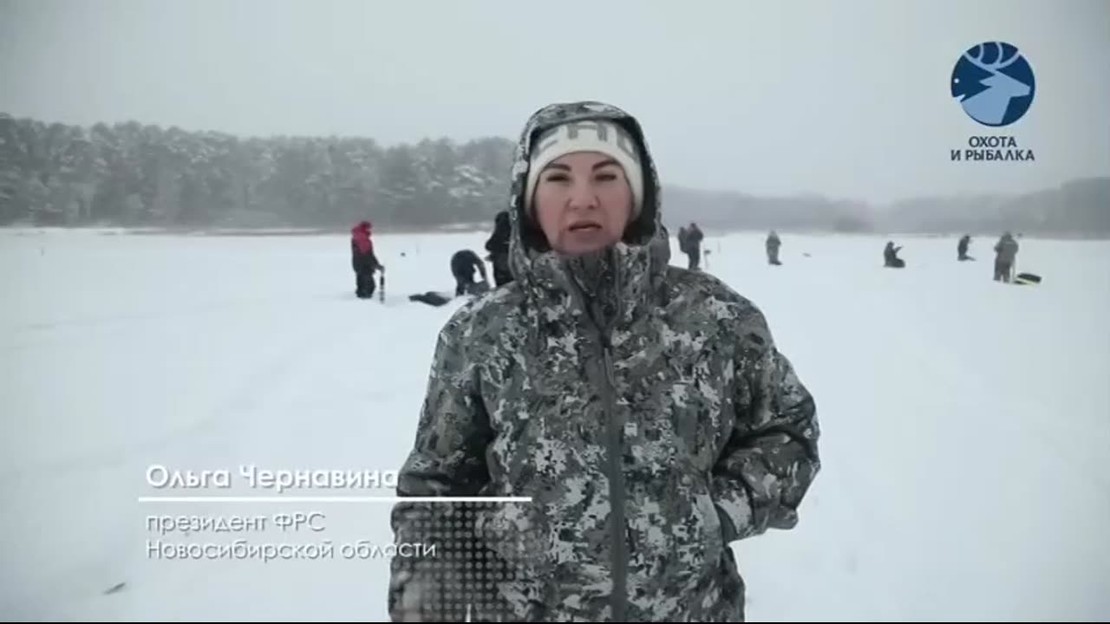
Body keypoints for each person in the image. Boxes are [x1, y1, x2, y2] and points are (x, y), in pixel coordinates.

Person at [388, 101, 821, 622]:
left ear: (638, 195)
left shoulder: (717, 318)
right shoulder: (481, 331)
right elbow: (434, 489)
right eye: (558, 178)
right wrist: (425, 601)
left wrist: (715, 513)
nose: (583, 198)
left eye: (606, 176)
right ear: (529, 201)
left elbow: (788, 433)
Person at [350, 220, 382, 298]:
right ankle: (365, 297)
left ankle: (361, 295)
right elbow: (366, 254)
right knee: (368, 284)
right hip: (364, 264)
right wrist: (375, 264)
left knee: (361, 280)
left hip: (357, 262)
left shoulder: (357, 236)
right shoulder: (362, 238)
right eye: (369, 228)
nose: (370, 230)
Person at [485, 210, 514, 287]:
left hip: (501, 269)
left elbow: (489, 246)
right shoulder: (516, 233)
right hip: (514, 267)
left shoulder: (498, 233)